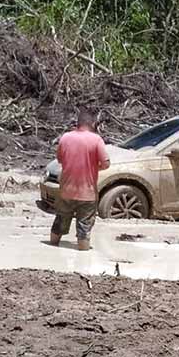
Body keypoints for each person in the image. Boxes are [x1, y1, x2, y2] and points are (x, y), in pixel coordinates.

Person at [49, 108, 110, 251]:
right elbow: (106, 163)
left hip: (66, 190)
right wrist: (93, 168)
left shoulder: (65, 138)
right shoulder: (96, 140)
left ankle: (52, 249)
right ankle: (83, 257)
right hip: (87, 193)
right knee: (84, 230)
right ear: (93, 123)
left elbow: (60, 160)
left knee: (59, 223)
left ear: (78, 123)